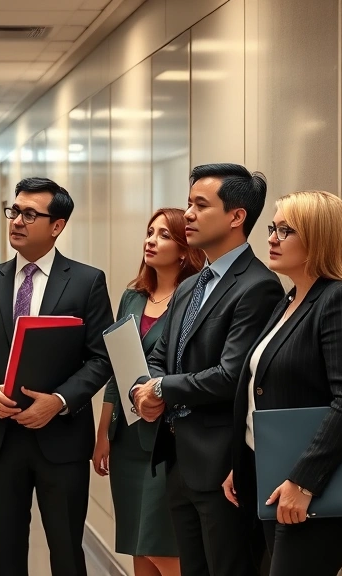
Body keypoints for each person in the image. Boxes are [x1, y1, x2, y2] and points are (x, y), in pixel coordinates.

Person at [222, 190, 342, 576]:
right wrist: (243, 462)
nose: (271, 238)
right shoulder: (291, 299)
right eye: (272, 228)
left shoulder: (341, 299)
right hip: (273, 474)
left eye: (286, 230)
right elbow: (258, 390)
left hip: (315, 484)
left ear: (320, 239)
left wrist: (304, 480)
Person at [130, 164, 285, 576]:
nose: (190, 215)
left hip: (223, 466)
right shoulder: (190, 285)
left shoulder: (257, 285)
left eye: (201, 205)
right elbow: (158, 356)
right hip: (179, 458)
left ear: (237, 217)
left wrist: (161, 390)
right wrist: (143, 391)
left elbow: (232, 373)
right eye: (189, 204)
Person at [0, 177, 114, 576]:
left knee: (66, 551)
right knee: (6, 554)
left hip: (60, 440)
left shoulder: (86, 281)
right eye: (14, 211)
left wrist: (60, 401)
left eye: (30, 214)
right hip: (0, 437)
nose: (17, 221)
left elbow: (101, 358)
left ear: (57, 225)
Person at [93, 208, 204, 576]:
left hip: (165, 440)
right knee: (138, 545)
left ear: (185, 249)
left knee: (162, 544)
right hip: (127, 438)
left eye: (164, 235)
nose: (151, 240)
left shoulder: (193, 300)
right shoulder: (133, 297)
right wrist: (103, 434)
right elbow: (117, 369)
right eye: (150, 232)